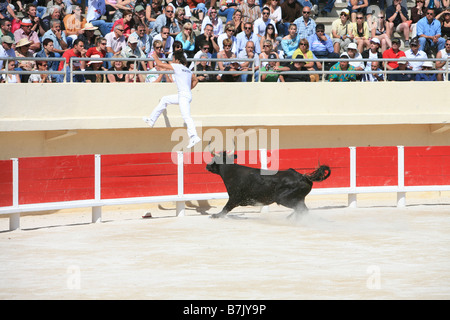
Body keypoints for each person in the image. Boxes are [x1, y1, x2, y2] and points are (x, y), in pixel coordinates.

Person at [143, 50, 201, 149]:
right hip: (185, 95)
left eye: (173, 59)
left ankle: (194, 136)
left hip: (183, 96)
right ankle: (151, 120)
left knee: (186, 117)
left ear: (177, 60)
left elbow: (160, 64)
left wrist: (154, 56)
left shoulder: (177, 66)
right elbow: (196, 80)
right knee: (165, 99)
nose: (172, 61)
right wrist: (188, 89)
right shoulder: (187, 70)